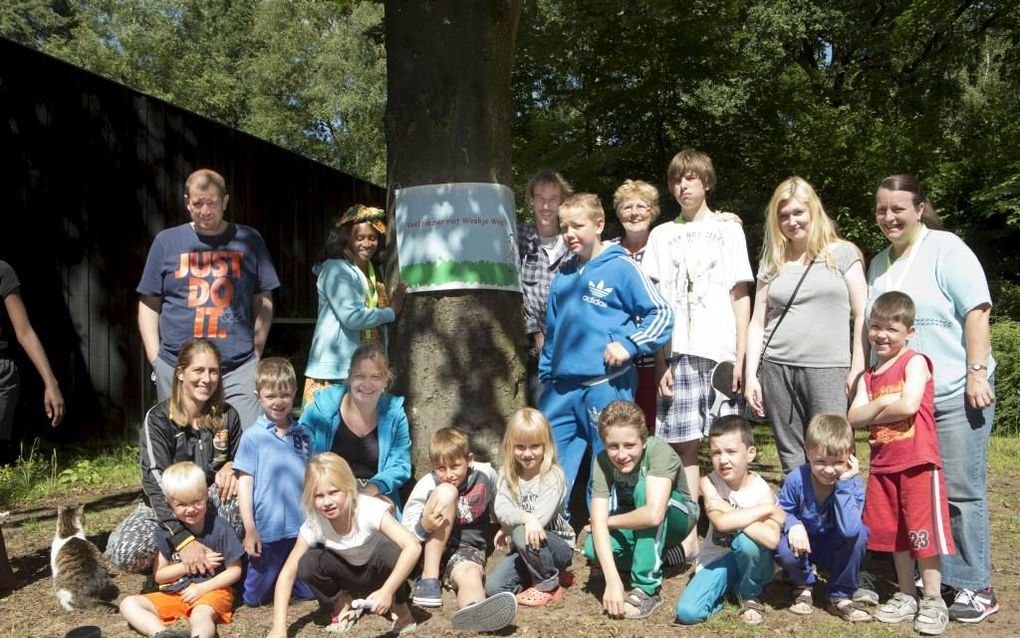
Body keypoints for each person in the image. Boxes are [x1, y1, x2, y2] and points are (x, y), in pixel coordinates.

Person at [867, 174, 997, 623]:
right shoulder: (879, 264)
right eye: (882, 209)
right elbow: (877, 334)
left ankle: (974, 583)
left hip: (954, 393)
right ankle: (931, 576)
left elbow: (977, 310)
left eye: (898, 208)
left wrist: (976, 373)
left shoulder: (946, 248)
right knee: (914, 493)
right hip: (903, 400)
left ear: (920, 208)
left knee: (961, 490)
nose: (889, 217)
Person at [641, 148, 752, 561]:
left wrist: (742, 357)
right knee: (681, 445)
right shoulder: (661, 236)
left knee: (726, 445)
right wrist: (660, 360)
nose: (683, 185)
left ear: (706, 182)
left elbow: (741, 294)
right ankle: (689, 531)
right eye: (676, 179)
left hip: (720, 352)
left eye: (691, 178)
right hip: (678, 353)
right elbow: (656, 306)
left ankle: (731, 527)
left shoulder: (728, 230)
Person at [539, 193, 672, 514]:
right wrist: (546, 374)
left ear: (599, 225)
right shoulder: (563, 274)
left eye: (577, 226)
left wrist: (629, 344)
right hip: (561, 388)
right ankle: (552, 530)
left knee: (611, 459)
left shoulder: (621, 266)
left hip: (607, 384)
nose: (569, 234)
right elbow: (553, 331)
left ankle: (609, 531)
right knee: (550, 463)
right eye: (564, 227)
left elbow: (661, 314)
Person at [138, 168, 280, 430]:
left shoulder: (249, 239)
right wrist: (155, 356)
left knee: (246, 446)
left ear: (225, 202)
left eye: (212, 203)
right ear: (186, 202)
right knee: (181, 449)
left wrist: (256, 352)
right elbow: (149, 303)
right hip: (179, 367)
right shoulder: (166, 242)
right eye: (197, 203)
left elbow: (264, 299)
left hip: (238, 367)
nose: (205, 210)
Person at [744, 177, 867, 474]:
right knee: (791, 455)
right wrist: (751, 376)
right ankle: (801, 518)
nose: (792, 221)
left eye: (798, 212)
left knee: (834, 452)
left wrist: (857, 371)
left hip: (829, 368)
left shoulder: (843, 254)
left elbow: (863, 314)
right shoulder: (772, 260)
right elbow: (757, 321)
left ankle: (839, 517)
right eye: (784, 215)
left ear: (814, 211)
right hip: (777, 367)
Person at [849, 291, 953, 635]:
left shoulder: (915, 362)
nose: (881, 335)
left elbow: (909, 406)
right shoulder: (869, 376)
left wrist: (877, 407)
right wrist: (884, 403)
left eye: (891, 329)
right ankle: (906, 594)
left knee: (922, 534)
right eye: (875, 327)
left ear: (909, 331)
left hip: (917, 463)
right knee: (895, 536)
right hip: (883, 467)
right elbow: (854, 415)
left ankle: (934, 599)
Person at [106, 338, 243, 574]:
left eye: (213, 371)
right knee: (124, 550)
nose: (207, 379)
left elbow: (245, 461)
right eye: (198, 370)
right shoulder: (158, 419)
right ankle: (180, 561)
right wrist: (182, 538)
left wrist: (234, 465)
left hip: (208, 504)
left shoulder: (228, 416)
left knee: (243, 491)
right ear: (180, 373)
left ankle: (219, 561)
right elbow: (154, 482)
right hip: (165, 509)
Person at [265, 453, 419, 638]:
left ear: (348, 488)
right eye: (318, 496)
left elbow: (413, 546)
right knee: (307, 562)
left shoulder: (369, 508)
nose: (327, 502)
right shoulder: (315, 522)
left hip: (381, 575)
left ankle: (400, 607)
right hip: (348, 577)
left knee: (392, 552)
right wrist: (279, 628)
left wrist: (387, 590)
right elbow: (288, 574)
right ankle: (342, 604)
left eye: (333, 492)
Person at [584, 401, 698, 620]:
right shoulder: (601, 462)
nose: (621, 454)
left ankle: (647, 588)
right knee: (592, 548)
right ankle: (665, 556)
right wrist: (613, 581)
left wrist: (608, 522)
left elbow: (653, 514)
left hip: (677, 515)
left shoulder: (658, 450)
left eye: (629, 445)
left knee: (643, 491)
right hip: (636, 515)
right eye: (612, 446)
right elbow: (597, 517)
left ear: (644, 441)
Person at [402, 427, 517, 633]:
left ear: (469, 459)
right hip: (428, 548)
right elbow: (406, 532)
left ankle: (474, 611)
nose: (449, 474)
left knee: (470, 574)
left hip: (467, 548)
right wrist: (424, 526)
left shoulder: (486, 474)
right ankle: (429, 579)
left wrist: (507, 527)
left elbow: (501, 504)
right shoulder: (427, 484)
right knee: (447, 491)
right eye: (441, 468)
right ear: (432, 466)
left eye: (455, 466)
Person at [674, 415, 784, 626]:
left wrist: (728, 509)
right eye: (716, 453)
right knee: (687, 613)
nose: (723, 460)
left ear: (750, 453)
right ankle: (729, 592)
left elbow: (771, 539)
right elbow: (721, 524)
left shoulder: (761, 491)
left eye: (731, 452)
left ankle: (750, 595)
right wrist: (764, 511)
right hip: (716, 560)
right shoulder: (709, 483)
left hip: (755, 561)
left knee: (745, 542)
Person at [118, 461, 244, 638]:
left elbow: (235, 570)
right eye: (182, 505)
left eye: (196, 502)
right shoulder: (168, 533)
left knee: (200, 615)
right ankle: (162, 634)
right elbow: (160, 575)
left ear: (206, 496)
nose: (191, 509)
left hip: (212, 591)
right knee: (128, 603)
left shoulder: (220, 528)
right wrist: (187, 566)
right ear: (169, 504)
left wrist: (202, 589)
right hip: (177, 593)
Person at [0, 259, 65, 592]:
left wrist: (50, 381)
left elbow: (23, 330)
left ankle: (4, 575)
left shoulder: (2, 271)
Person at [303, 204, 406, 406]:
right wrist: (391, 312)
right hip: (335, 371)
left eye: (373, 237)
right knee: (328, 433)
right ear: (346, 239)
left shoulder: (373, 272)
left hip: (365, 368)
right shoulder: (335, 269)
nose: (367, 243)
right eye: (360, 238)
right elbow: (352, 317)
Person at [233, 357, 314, 606]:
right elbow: (244, 485)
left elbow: (313, 478)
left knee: (309, 593)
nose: (278, 402)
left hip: (300, 530)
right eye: (271, 396)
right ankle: (244, 569)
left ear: (295, 394)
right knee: (253, 599)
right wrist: (250, 529)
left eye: (285, 395)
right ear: (259, 396)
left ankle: (283, 577)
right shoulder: (253, 437)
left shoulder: (304, 434)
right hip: (267, 531)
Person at [773, 414, 870, 623]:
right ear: (807, 453)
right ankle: (802, 583)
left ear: (851, 456)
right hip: (803, 545)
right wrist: (793, 523)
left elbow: (851, 530)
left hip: (833, 545)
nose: (829, 469)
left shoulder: (852, 483)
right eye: (820, 461)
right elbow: (781, 511)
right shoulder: (796, 479)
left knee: (860, 535)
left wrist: (843, 485)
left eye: (838, 462)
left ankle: (840, 594)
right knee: (781, 544)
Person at [299, 343, 411, 513]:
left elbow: (401, 464)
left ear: (385, 381)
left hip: (374, 495)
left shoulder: (395, 414)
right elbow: (300, 452)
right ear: (349, 377)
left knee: (386, 508)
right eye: (360, 376)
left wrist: (373, 488)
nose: (367, 384)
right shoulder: (322, 409)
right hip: (329, 494)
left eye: (375, 377)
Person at [487, 408, 575, 607]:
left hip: (557, 547)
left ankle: (548, 584)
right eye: (520, 447)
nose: (527, 454)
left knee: (522, 531)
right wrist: (511, 524)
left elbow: (539, 520)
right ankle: (552, 575)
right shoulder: (506, 474)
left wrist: (516, 522)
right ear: (510, 446)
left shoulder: (554, 476)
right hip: (525, 548)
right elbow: (501, 509)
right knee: (494, 589)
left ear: (547, 446)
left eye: (535, 446)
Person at [605, 180, 662, 427]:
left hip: (655, 354)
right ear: (618, 213)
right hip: (615, 356)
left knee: (652, 426)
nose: (635, 212)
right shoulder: (607, 250)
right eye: (627, 207)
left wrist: (726, 220)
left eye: (642, 206)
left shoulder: (664, 248)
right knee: (617, 425)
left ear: (653, 211)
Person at [518, 169, 573, 406]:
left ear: (562, 204)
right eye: (540, 198)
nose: (546, 206)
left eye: (553, 200)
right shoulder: (519, 237)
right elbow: (516, 294)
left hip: (572, 346)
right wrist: (537, 334)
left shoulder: (574, 241)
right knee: (542, 417)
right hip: (535, 352)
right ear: (531, 200)